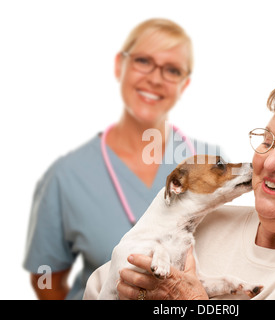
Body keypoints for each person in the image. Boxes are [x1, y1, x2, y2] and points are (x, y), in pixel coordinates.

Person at [84, 75, 275, 300]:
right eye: (267, 141)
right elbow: (101, 286)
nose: (269, 162)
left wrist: (190, 301)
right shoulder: (204, 220)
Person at [23, 18, 223, 300]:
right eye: (143, 61)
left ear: (184, 83)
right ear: (120, 65)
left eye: (172, 70)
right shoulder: (67, 175)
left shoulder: (214, 166)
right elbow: (45, 275)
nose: (155, 78)